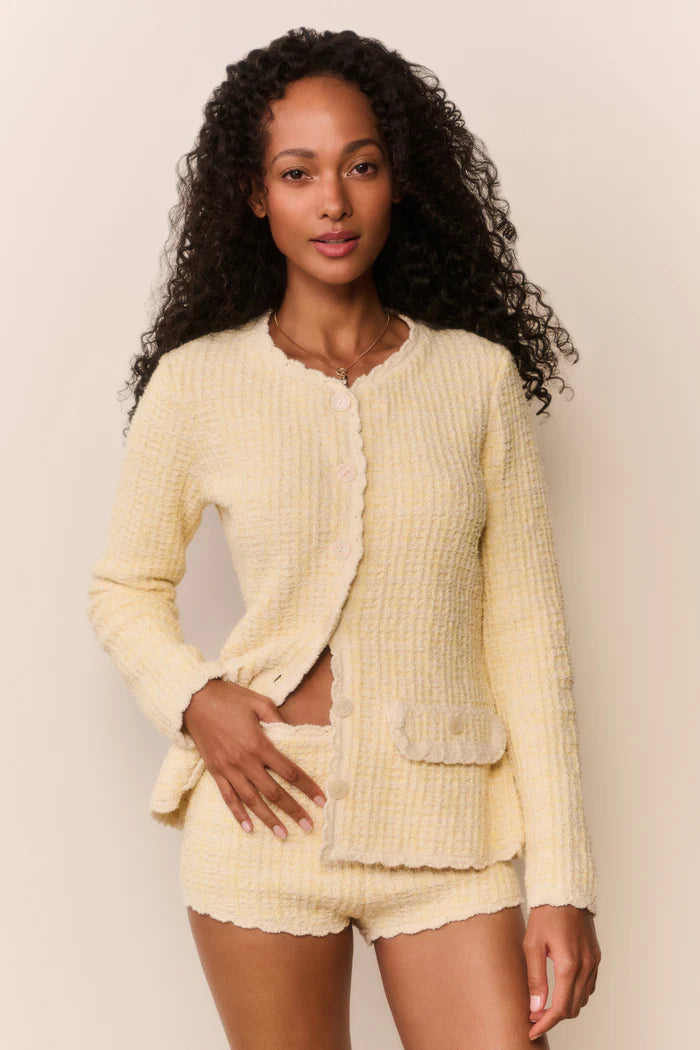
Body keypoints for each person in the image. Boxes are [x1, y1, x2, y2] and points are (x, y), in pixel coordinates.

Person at [86, 26, 602, 1050]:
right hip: (263, 816)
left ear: (397, 180)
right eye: (297, 173)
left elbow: (528, 640)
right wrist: (195, 700)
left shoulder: (475, 380)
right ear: (254, 194)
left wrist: (563, 882)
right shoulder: (198, 383)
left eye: (360, 166)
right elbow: (124, 585)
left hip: (448, 825)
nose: (333, 202)